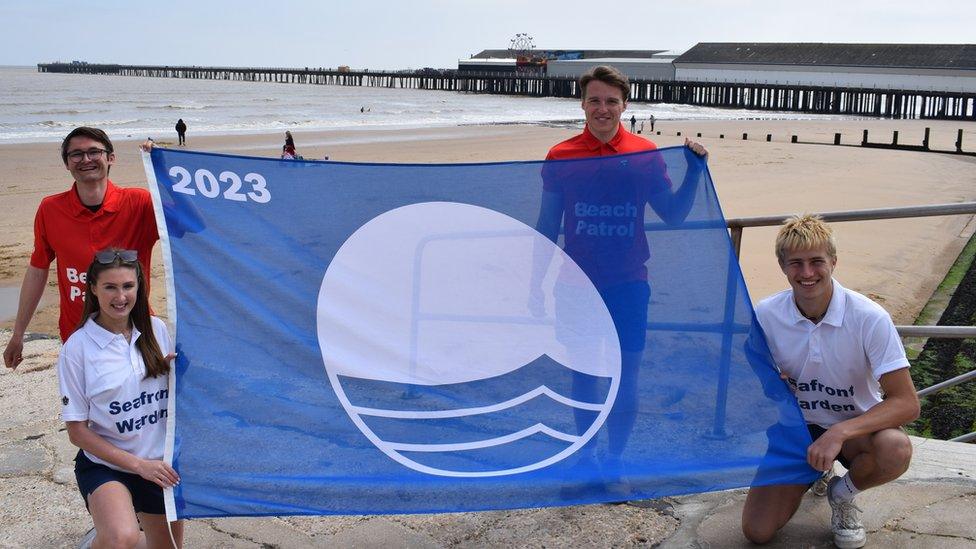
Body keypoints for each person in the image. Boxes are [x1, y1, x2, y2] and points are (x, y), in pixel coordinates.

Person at [530, 65, 708, 495]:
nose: (603, 108)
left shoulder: (645, 154)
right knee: (584, 375)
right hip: (576, 285)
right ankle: (586, 460)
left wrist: (695, 169)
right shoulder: (561, 156)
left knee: (626, 377)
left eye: (611, 101)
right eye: (595, 100)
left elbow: (675, 214)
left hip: (629, 284)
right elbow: (546, 225)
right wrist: (534, 285)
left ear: (625, 105)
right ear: (583, 104)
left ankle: (614, 463)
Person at [741, 215, 919, 548]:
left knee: (895, 449)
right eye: (796, 263)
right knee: (757, 532)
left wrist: (838, 433)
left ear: (833, 262)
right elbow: (752, 359)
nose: (807, 273)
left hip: (856, 429)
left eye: (816, 262)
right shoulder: (766, 314)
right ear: (782, 267)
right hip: (797, 430)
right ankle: (815, 472)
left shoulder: (869, 317)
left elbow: (907, 403)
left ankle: (843, 495)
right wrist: (770, 381)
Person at [3, 127, 158, 370]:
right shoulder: (50, 209)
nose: (86, 159)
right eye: (76, 154)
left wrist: (163, 166)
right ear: (67, 163)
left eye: (94, 152)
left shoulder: (140, 203)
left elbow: (191, 226)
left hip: (136, 329)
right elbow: (37, 270)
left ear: (110, 158)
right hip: (78, 332)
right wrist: (18, 333)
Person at [57, 249, 183, 548]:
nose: (120, 296)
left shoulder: (156, 329)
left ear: (139, 287)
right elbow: (77, 432)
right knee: (121, 538)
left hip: (159, 467)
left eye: (128, 286)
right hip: (107, 465)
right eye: (110, 287)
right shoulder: (77, 349)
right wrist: (138, 465)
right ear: (93, 289)